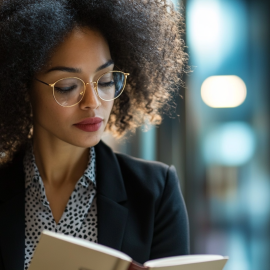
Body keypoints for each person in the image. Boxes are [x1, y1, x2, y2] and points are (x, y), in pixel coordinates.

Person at [0, 0, 189, 269]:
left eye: (105, 81)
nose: (93, 101)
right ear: (22, 87)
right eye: (67, 86)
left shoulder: (155, 193)